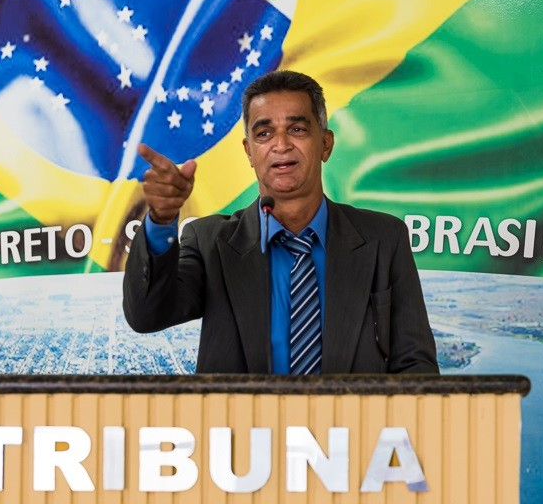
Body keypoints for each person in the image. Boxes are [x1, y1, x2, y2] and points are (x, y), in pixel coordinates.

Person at [123, 70, 438, 374]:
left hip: (354, 414)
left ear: (326, 143)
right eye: (264, 133)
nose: (281, 144)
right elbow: (147, 315)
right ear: (249, 151)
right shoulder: (209, 242)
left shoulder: (385, 238)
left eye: (297, 129)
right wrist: (161, 220)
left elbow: (415, 365)